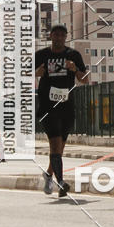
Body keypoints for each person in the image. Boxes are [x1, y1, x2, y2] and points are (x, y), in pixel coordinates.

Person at [35, 25, 88, 197]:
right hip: (47, 106)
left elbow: (85, 80)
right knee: (55, 144)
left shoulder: (73, 55)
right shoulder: (41, 55)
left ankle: (49, 174)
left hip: (66, 105)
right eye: (55, 35)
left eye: (62, 35)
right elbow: (22, 76)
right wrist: (37, 72)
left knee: (59, 148)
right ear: (50, 36)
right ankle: (61, 182)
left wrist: (75, 69)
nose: (58, 38)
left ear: (66, 37)